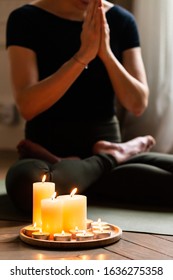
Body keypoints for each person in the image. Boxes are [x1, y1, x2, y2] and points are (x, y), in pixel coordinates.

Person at [5, 0, 173, 214]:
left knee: (54, 190)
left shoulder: (121, 20)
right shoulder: (25, 18)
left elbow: (137, 103)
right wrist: (83, 55)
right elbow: (28, 107)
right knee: (28, 188)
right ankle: (110, 158)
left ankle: (91, 170)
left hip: (105, 143)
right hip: (44, 156)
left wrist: (106, 54)